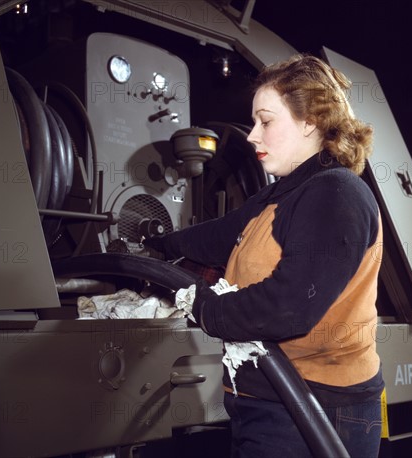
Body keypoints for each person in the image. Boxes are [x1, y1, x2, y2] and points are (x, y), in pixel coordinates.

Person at [145, 54, 384, 458]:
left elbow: (289, 306)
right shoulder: (285, 193)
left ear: (310, 121)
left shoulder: (335, 194)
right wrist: (157, 246)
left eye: (266, 121)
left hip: (315, 409)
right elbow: (221, 236)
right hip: (269, 405)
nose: (253, 136)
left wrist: (201, 305)